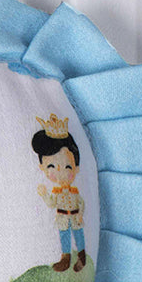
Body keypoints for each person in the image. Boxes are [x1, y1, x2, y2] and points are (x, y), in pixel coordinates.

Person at [33, 113, 86, 272]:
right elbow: (51, 203)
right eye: (51, 167)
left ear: (76, 168)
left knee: (79, 235)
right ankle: (65, 258)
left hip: (75, 217)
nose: (60, 172)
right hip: (62, 217)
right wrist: (44, 194)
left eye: (67, 167)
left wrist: (80, 213)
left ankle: (82, 256)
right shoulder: (56, 192)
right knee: (64, 237)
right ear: (42, 168)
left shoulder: (74, 191)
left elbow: (81, 202)